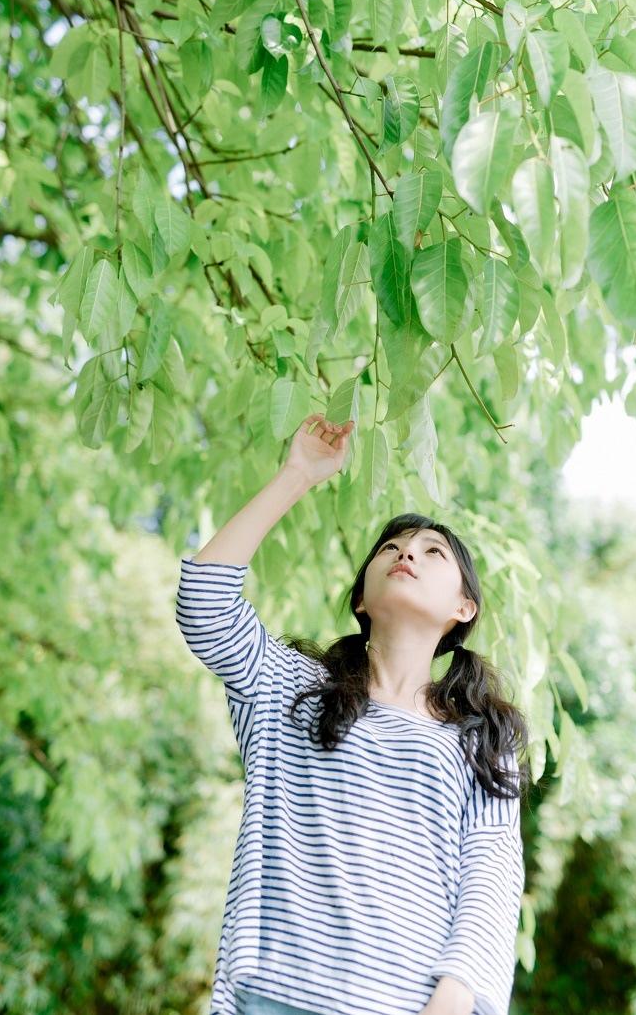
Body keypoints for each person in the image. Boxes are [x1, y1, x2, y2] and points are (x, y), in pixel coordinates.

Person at [174, 413, 529, 1015]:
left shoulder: (481, 737)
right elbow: (204, 602)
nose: (407, 554)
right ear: (361, 598)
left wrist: (453, 1000)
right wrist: (297, 475)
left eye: (432, 551)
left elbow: (491, 877)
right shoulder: (290, 689)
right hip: (271, 997)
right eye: (391, 547)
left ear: (463, 608)